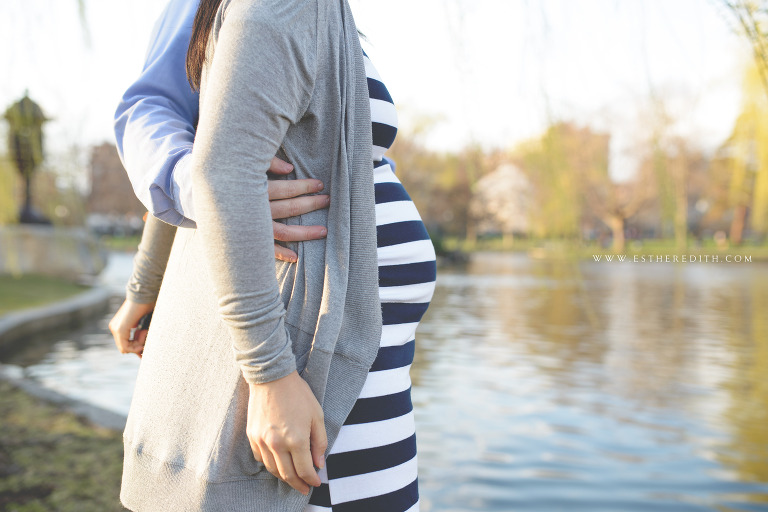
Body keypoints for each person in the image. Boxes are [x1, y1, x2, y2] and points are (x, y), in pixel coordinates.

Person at [111, 0, 436, 511]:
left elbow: (214, 136)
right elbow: (216, 165)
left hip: (359, 355)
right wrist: (270, 373)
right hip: (311, 356)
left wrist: (144, 284)